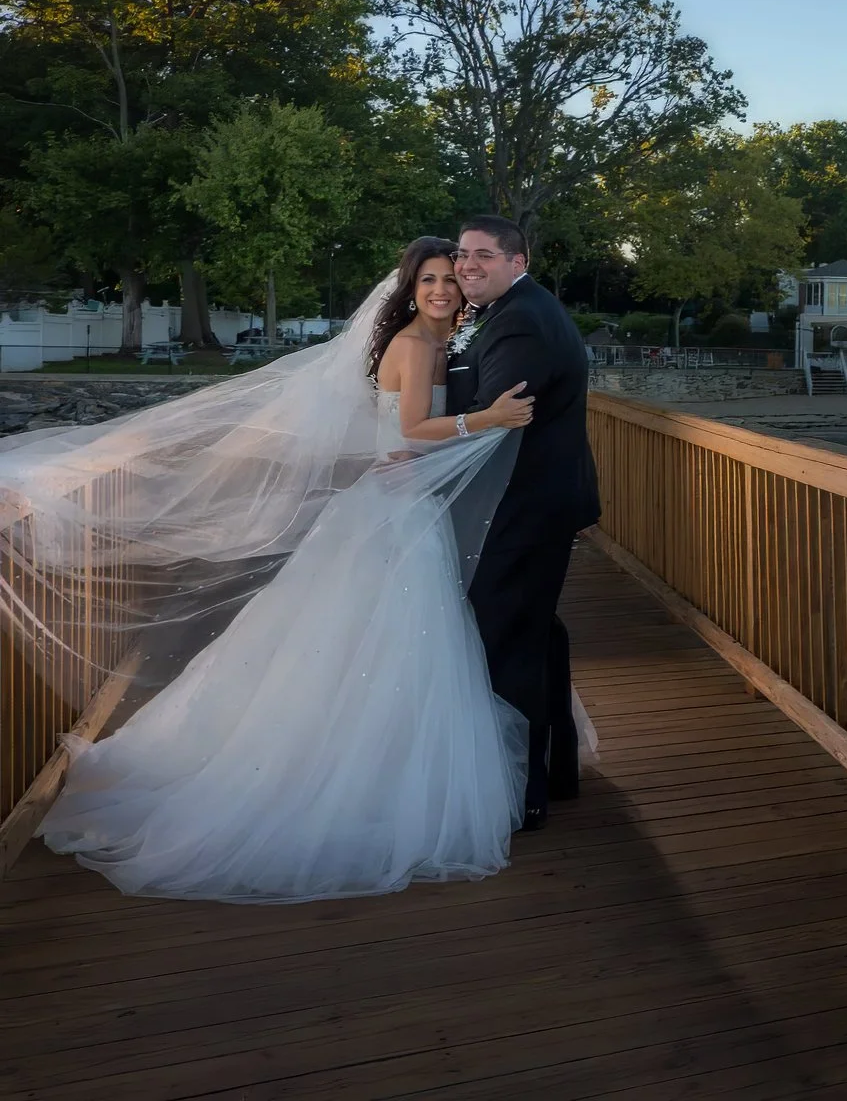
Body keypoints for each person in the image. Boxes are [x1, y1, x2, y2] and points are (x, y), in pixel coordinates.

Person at [12, 239, 558, 902]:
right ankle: (348, 780)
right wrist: (490, 418)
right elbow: (413, 426)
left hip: (397, 508)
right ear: (409, 289)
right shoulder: (415, 347)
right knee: (391, 644)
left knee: (375, 649)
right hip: (395, 520)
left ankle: (376, 771)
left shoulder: (435, 344)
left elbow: (395, 436)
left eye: (451, 280)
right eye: (430, 280)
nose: (443, 289)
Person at [444, 216, 601, 831]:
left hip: (524, 506)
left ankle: (519, 792)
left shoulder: (522, 320)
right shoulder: (504, 311)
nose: (467, 265)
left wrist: (419, 451)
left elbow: (494, 420)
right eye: (463, 254)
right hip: (526, 503)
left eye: (484, 255)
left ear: (517, 259)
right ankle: (555, 771)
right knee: (537, 634)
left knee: (507, 640)